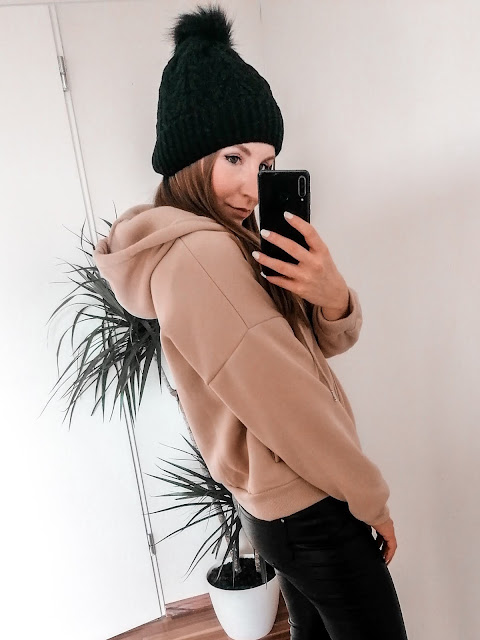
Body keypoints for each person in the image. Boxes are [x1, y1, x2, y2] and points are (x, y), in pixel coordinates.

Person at [93, 4, 408, 639]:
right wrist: (369, 496)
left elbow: (312, 350)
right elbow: (287, 399)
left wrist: (330, 293)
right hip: (310, 502)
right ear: (189, 158)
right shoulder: (202, 256)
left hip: (284, 508)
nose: (250, 187)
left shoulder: (219, 245)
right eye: (233, 158)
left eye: (264, 167)